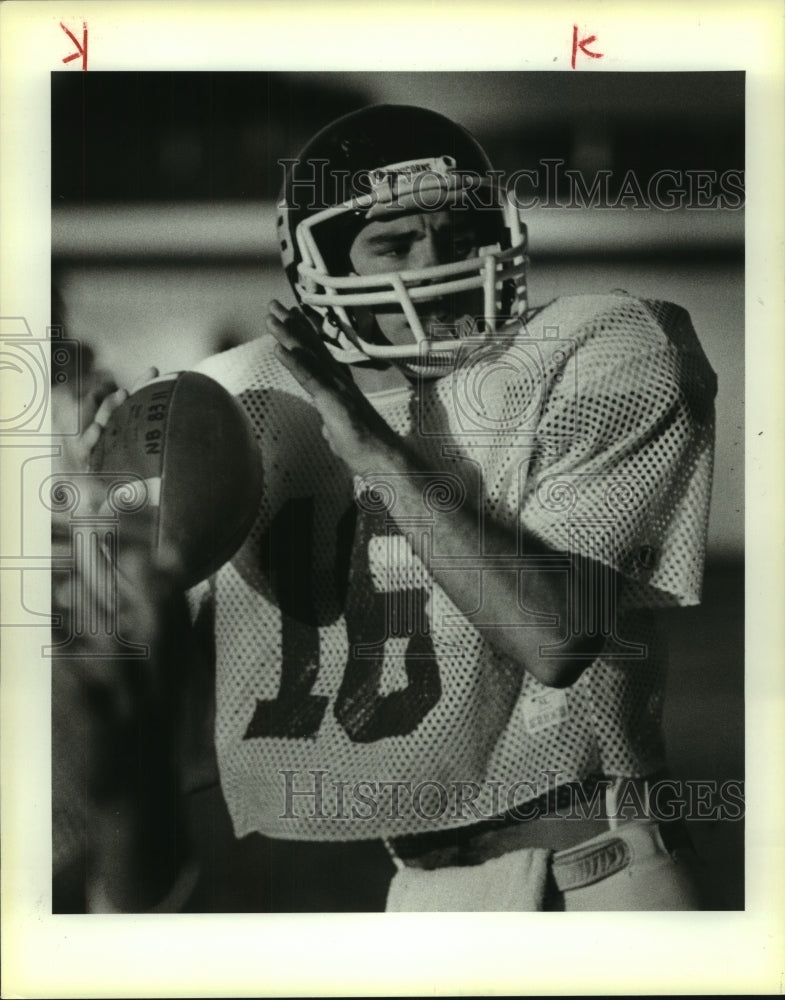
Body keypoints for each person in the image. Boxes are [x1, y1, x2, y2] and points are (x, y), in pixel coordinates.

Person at [54, 104, 717, 912]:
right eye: (395, 242)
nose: (436, 262)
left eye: (457, 232)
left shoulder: (600, 345)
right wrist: (109, 543)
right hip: (419, 889)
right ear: (318, 264)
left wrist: (372, 447)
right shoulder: (246, 400)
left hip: (595, 878)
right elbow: (178, 747)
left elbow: (558, 634)